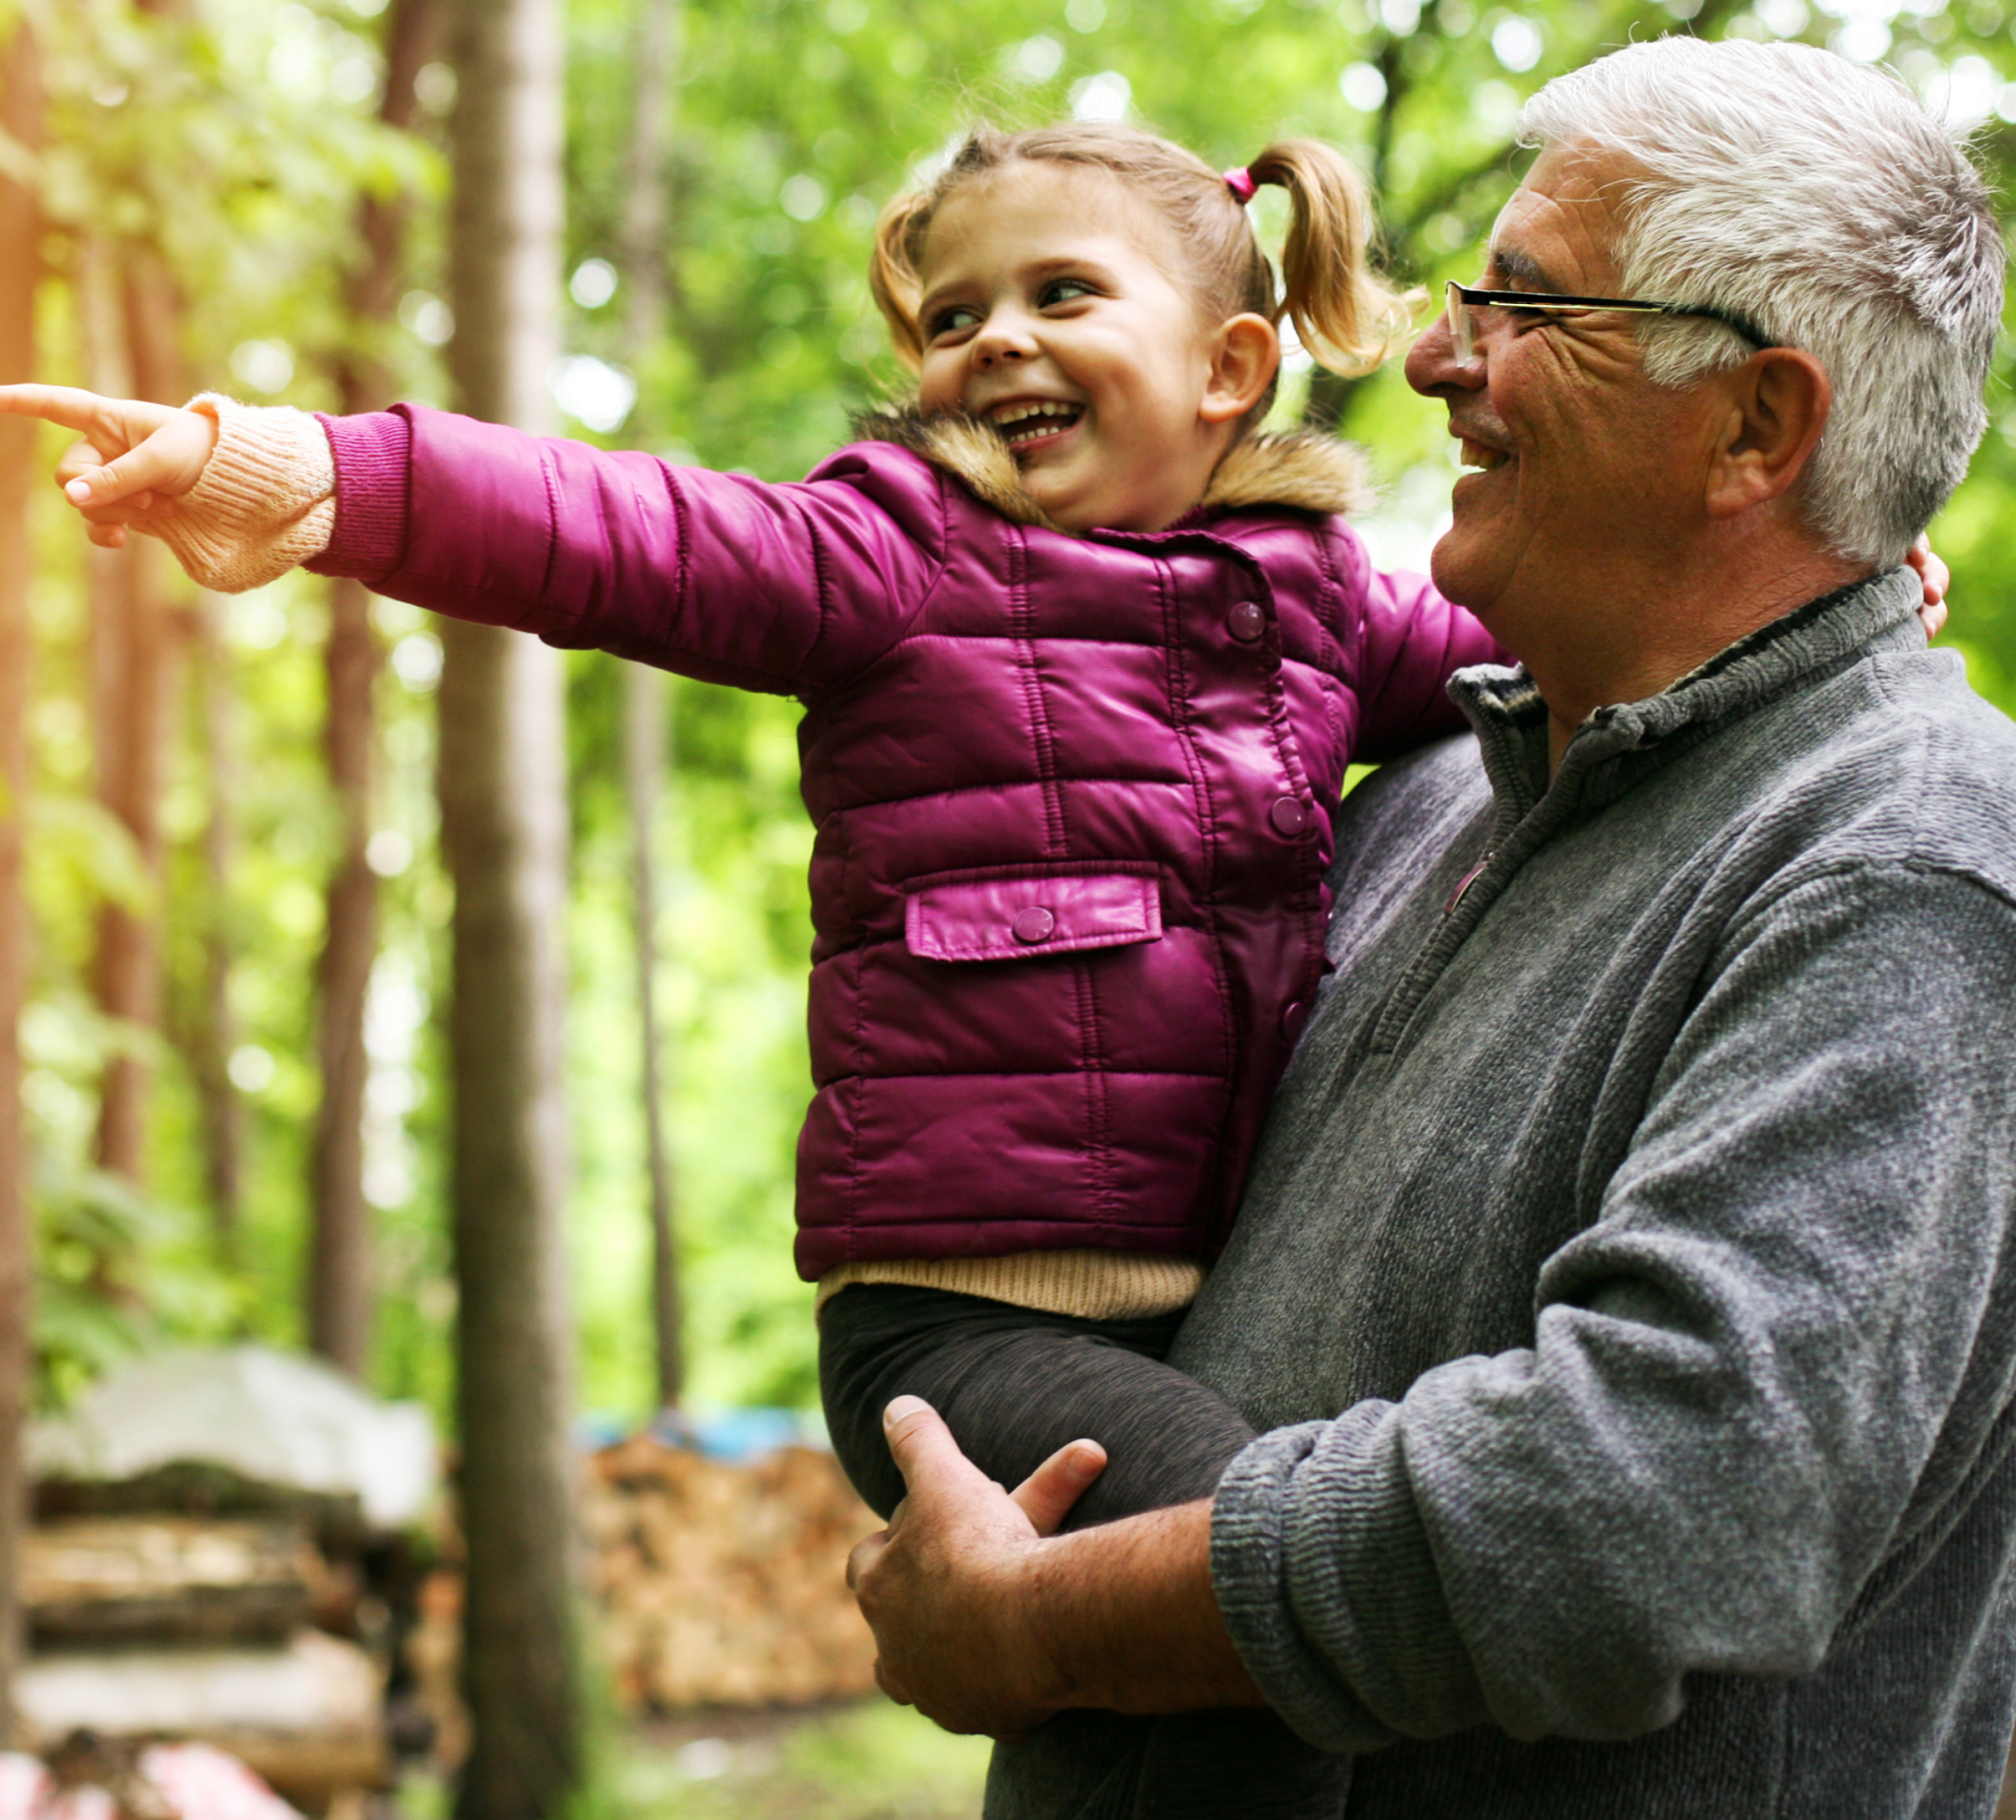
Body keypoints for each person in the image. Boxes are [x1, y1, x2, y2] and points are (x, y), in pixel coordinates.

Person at [3, 125, 1499, 1675]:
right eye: (954, 315)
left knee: (1217, 1667)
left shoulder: (1307, 599)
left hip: (1223, 1287)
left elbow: (1519, 639)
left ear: (1228, 364)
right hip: (962, 1321)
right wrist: (299, 468)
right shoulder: (896, 552)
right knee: (1256, 1556)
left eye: (1063, 293)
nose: (1000, 340)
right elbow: (618, 532)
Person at [844, 34, 2016, 1820]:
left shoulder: (1909, 861)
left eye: (1527, 305)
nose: (1432, 354)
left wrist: (1050, 1625)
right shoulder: (1425, 798)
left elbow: (1661, 1500)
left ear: (1758, 427)